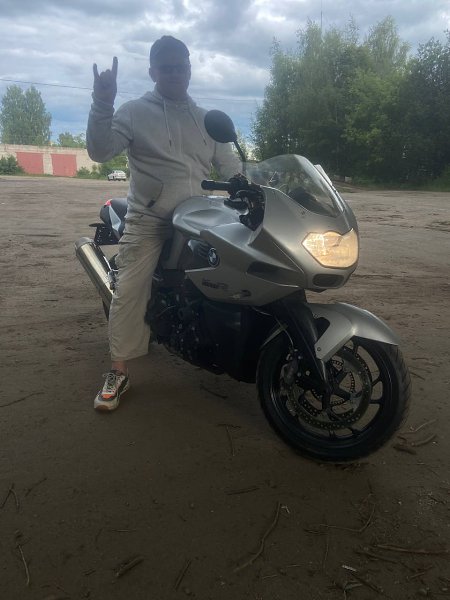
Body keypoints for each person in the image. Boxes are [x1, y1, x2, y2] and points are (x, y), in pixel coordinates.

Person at [87, 35, 240, 411]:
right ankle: (119, 370)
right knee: (130, 287)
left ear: (189, 69)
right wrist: (102, 103)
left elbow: (231, 166)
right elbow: (100, 150)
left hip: (201, 218)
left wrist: (250, 187)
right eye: (166, 68)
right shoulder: (134, 112)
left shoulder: (206, 119)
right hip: (151, 219)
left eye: (180, 67)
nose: (174, 74)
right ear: (152, 71)